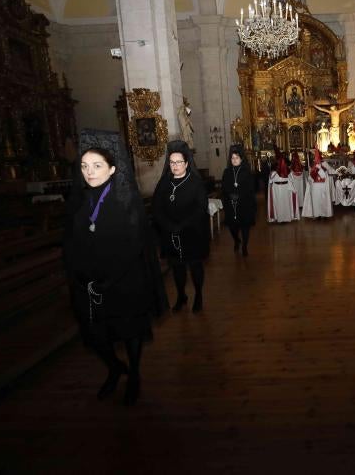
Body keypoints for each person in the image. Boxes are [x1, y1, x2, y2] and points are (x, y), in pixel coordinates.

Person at [63, 132, 168, 406]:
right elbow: (70, 243)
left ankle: (134, 374)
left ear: (111, 169)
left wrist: (109, 279)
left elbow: (134, 245)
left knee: (129, 330)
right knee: (95, 334)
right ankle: (114, 367)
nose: (89, 172)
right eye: (84, 166)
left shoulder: (125, 201)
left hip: (122, 280)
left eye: (97, 166)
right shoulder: (79, 200)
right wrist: (80, 274)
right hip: (88, 283)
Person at [152, 140, 210, 313]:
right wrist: (168, 225)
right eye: (172, 162)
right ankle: (181, 296)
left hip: (192, 233)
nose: (175, 166)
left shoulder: (195, 183)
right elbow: (157, 208)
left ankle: (198, 295)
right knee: (177, 268)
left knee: (195, 267)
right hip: (170, 234)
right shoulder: (164, 183)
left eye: (178, 162)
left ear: (186, 163)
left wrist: (182, 225)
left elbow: (200, 208)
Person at [221, 144, 256, 256]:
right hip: (231, 204)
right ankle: (236, 240)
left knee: (245, 227)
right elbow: (224, 187)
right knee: (232, 228)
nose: (234, 160)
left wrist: (239, 196)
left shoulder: (246, 172)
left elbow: (250, 188)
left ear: (241, 159)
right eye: (232, 158)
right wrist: (230, 195)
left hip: (244, 204)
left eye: (237, 158)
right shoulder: (227, 172)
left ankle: (245, 246)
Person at [301, 149, 334, 219]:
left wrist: (319, 168)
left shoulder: (324, 163)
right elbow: (310, 176)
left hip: (322, 185)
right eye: (313, 155)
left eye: (314, 155)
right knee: (315, 200)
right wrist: (310, 178)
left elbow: (326, 174)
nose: (313, 157)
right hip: (314, 185)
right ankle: (316, 214)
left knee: (323, 200)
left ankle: (324, 214)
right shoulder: (312, 164)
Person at [267, 158, 299, 223]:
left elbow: (270, 182)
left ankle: (283, 217)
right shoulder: (277, 173)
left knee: (282, 204)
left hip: (279, 190)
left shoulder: (274, 173)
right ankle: (282, 217)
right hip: (280, 190)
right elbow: (291, 181)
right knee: (282, 204)